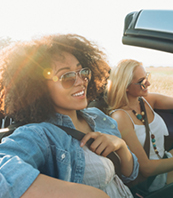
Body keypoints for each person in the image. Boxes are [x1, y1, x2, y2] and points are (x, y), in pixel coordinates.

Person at [0, 35, 139, 198]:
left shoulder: (98, 117)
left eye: (83, 72)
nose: (81, 81)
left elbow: (131, 176)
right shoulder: (39, 134)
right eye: (67, 77)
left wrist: (121, 147)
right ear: (40, 89)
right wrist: (92, 194)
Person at [106, 59, 173, 192]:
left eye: (147, 77)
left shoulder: (146, 100)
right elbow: (147, 169)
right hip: (152, 178)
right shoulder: (120, 117)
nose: (148, 83)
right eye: (142, 82)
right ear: (125, 86)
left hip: (164, 158)